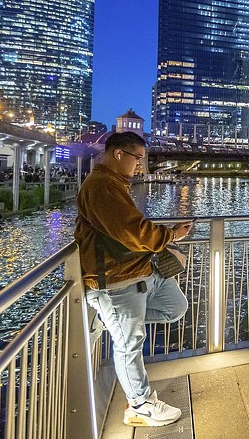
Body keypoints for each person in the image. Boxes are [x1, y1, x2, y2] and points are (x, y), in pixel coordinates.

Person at [74, 131, 193, 427]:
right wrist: (171, 234)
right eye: (138, 158)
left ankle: (112, 319)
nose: (141, 165)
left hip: (139, 272)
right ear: (118, 154)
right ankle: (140, 406)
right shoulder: (101, 187)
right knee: (130, 344)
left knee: (175, 307)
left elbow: (129, 231)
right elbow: (134, 231)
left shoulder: (114, 184)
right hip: (115, 280)